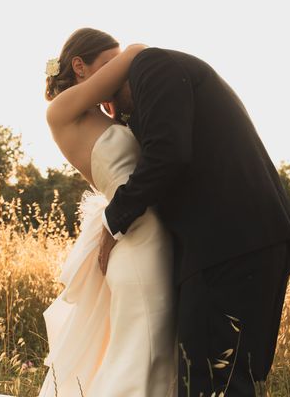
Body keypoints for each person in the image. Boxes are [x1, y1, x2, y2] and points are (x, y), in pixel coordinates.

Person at [99, 45, 290, 396]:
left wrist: (111, 222)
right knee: (226, 381)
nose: (106, 112)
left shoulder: (151, 65)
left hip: (229, 246)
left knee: (210, 384)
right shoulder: (169, 74)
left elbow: (167, 153)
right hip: (243, 243)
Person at [37, 28, 177, 397]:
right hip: (137, 244)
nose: (119, 73)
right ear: (80, 66)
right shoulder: (61, 112)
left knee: (152, 354)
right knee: (141, 356)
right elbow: (138, 51)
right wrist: (122, 63)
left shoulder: (105, 117)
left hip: (148, 235)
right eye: (108, 64)